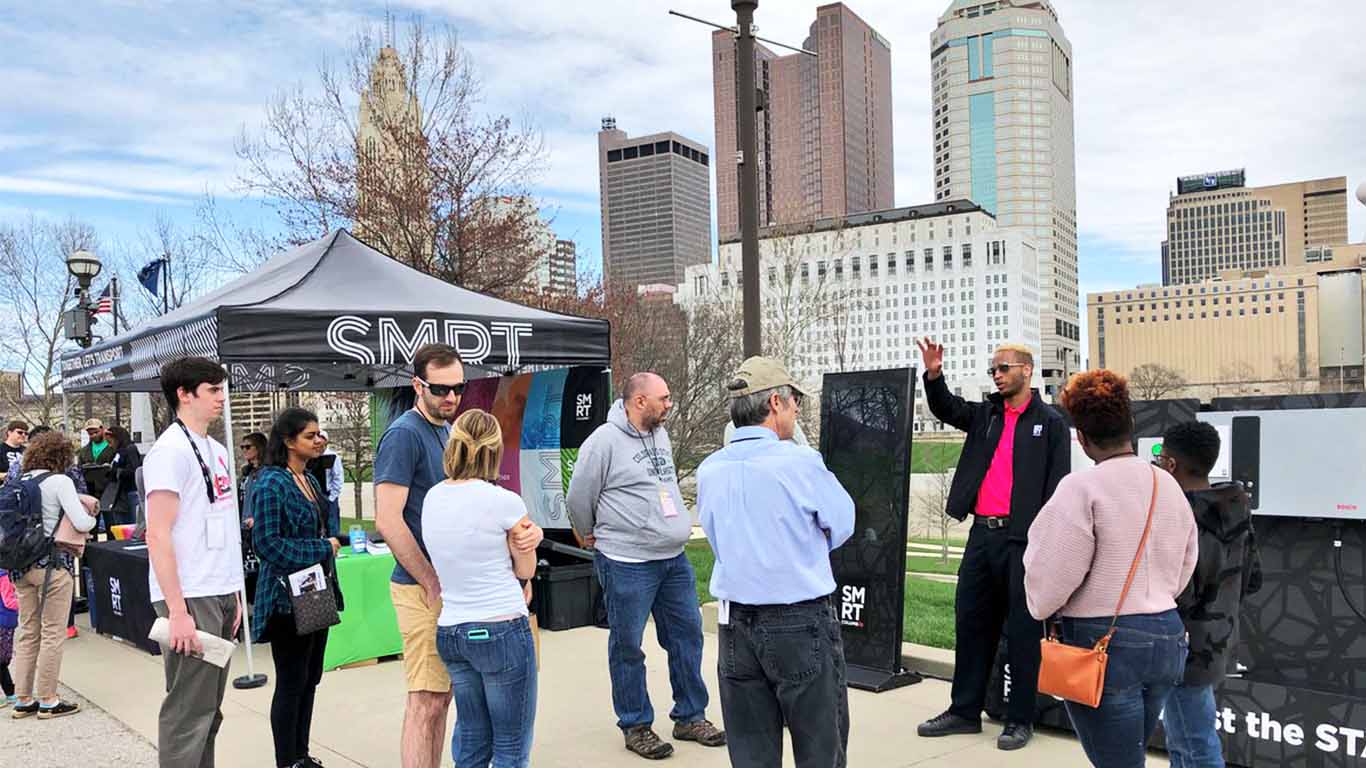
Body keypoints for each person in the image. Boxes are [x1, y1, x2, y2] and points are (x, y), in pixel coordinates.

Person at [375, 343, 539, 768]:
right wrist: (430, 580)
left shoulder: (448, 431)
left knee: (448, 704)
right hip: (422, 587)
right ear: (417, 385)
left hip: (456, 596)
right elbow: (388, 520)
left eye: (458, 388)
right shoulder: (404, 435)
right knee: (427, 701)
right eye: (440, 389)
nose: (451, 397)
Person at [1023, 370, 1198, 768]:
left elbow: (1050, 579)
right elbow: (1188, 560)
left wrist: (1040, 605)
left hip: (1103, 641)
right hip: (1167, 635)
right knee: (1129, 753)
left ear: (1081, 439)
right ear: (1130, 424)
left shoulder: (1080, 489)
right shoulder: (1166, 483)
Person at [697, 357, 856, 768]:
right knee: (821, 746)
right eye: (793, 401)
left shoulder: (710, 469)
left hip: (735, 625)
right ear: (774, 403)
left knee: (751, 754)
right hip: (799, 621)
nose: (797, 409)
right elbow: (842, 525)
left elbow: (717, 538)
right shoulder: (799, 462)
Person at [913, 338, 1070, 751]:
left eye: (1003, 368)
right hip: (982, 535)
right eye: (993, 370)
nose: (997, 375)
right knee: (970, 622)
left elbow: (1058, 490)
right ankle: (964, 711)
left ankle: (1020, 719)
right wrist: (934, 374)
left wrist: (1047, 543)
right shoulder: (986, 416)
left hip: (1023, 541)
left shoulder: (1051, 423)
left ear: (1027, 370)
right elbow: (946, 407)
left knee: (1022, 631)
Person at [567, 372, 726, 760]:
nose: (670, 404)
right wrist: (588, 534)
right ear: (639, 401)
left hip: (672, 560)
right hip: (627, 563)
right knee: (627, 646)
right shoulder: (602, 442)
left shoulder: (660, 434)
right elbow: (577, 498)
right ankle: (636, 724)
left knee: (687, 637)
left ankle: (690, 715)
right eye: (664, 398)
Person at [425, 409, 544, 767]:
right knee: (510, 746)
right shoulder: (504, 501)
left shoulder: (432, 498)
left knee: (473, 739)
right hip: (502, 627)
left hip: (453, 630)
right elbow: (525, 568)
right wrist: (528, 540)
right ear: (495, 450)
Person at [143, 356, 245, 768]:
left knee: (209, 711)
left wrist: (235, 593)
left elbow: (221, 523)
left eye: (222, 389)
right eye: (213, 390)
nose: (222, 398)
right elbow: (157, 533)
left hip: (218, 588)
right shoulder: (169, 452)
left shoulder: (215, 449)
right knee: (188, 712)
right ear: (184, 395)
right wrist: (178, 609)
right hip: (190, 594)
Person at [1155, 421, 1263, 768]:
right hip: (1217, 640)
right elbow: (1253, 579)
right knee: (1185, 739)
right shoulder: (1236, 507)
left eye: (1160, 457)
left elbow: (1177, 591)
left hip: (1184, 647)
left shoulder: (1179, 515)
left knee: (1195, 742)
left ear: (1171, 464)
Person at [250, 407, 343, 768]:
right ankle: (286, 761)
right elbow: (267, 544)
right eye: (311, 435)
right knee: (290, 682)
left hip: (314, 590)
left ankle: (301, 755)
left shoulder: (312, 480)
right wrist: (322, 548)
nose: (320, 440)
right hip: (284, 597)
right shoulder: (272, 482)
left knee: (309, 679)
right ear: (288, 441)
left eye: (320, 434)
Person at [7, 431, 98, 719]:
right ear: (61, 456)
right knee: (52, 632)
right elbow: (82, 522)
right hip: (53, 566)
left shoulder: (17, 482)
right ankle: (48, 698)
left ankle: (22, 698)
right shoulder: (60, 481)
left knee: (28, 632)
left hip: (20, 566)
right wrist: (93, 516)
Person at [106, 425, 143, 529]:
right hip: (119, 495)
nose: (109, 445)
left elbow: (135, 470)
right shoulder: (116, 452)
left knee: (131, 526)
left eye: (110, 442)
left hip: (130, 492)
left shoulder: (130, 449)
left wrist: (117, 471)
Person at [317, 430, 343, 538]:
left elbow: (338, 477)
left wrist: (332, 497)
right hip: (315, 495)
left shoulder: (333, 456)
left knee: (332, 525)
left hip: (329, 494)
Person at [0, 571, 16, 709]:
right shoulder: (2, 575)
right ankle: (10, 693)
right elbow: (9, 601)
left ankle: (10, 692)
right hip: (3, 621)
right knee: (2, 660)